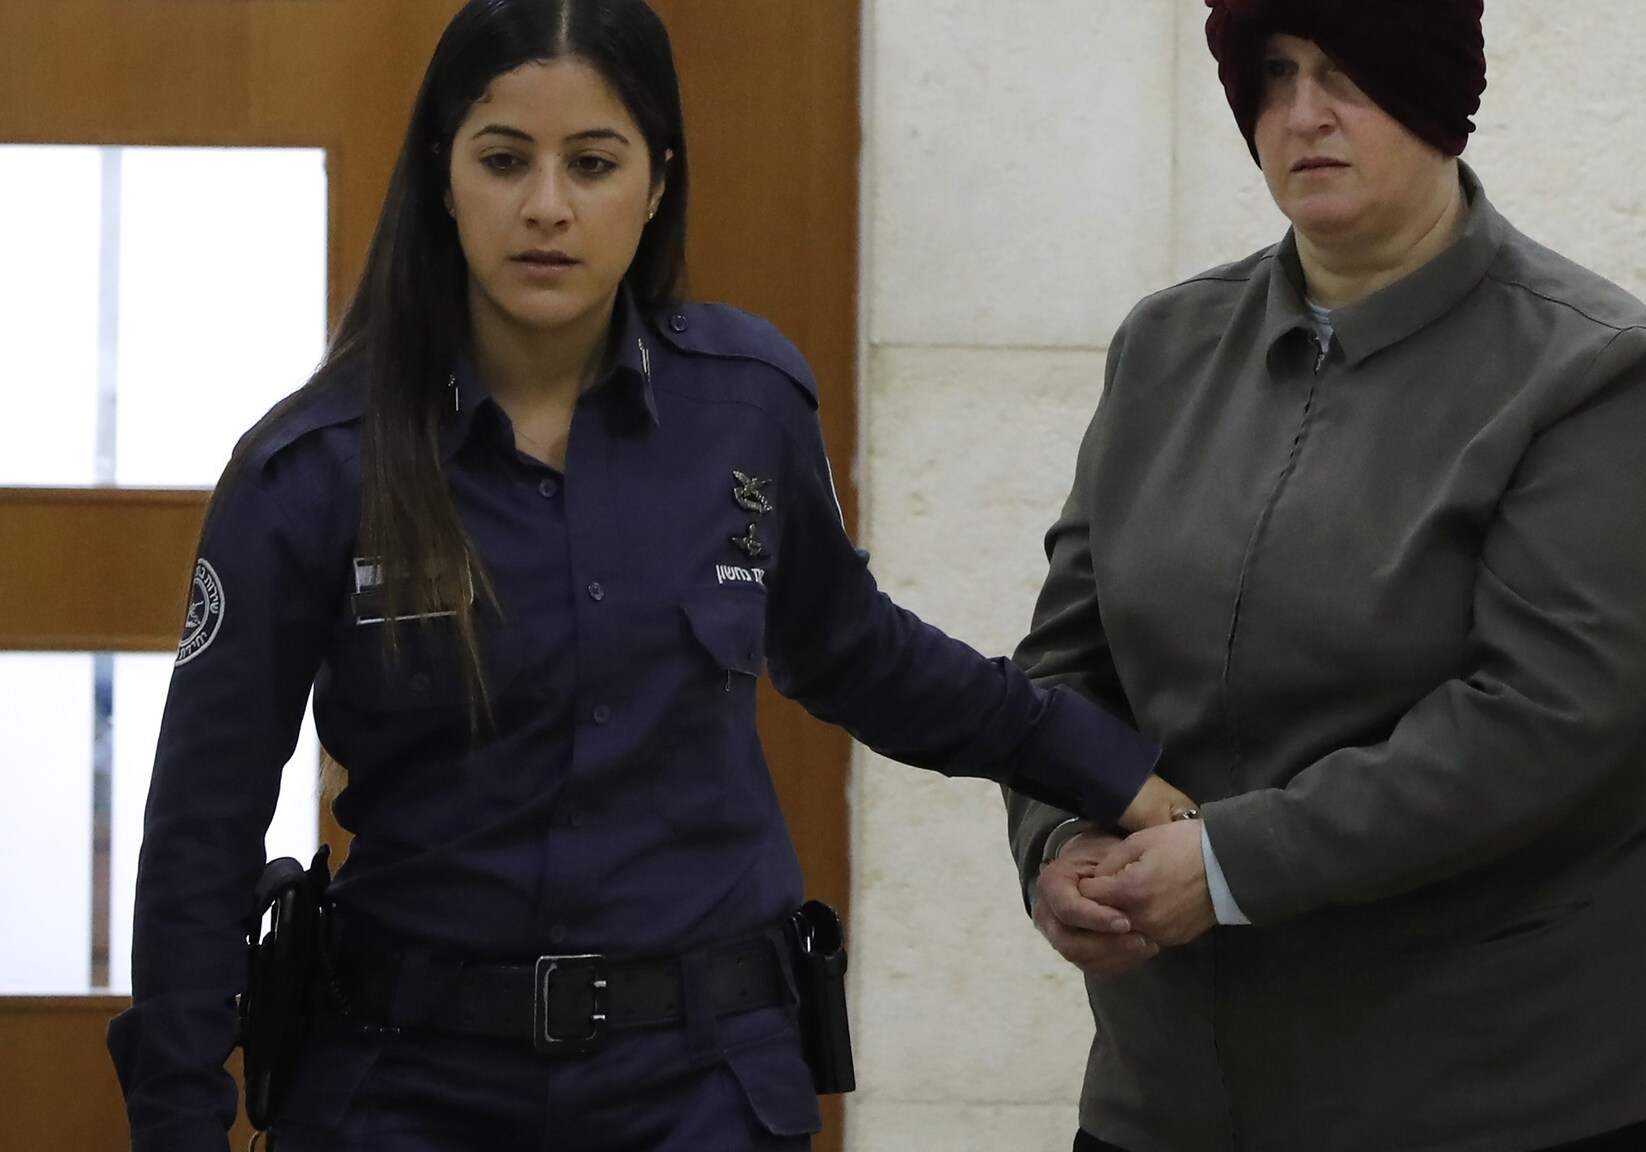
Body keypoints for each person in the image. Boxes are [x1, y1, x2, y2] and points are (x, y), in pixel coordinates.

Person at [107, 3, 1190, 1150]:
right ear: (443, 176)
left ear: (657, 181)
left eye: (592, 163)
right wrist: (177, 1120)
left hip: (699, 1086)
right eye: (504, 160)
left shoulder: (745, 406)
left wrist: (1104, 768)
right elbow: (203, 825)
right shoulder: (311, 467)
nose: (546, 206)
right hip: (405, 1089)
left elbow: (857, 654)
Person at [1005, 2, 1646, 1151]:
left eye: (1346, 73)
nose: (1302, 114)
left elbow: (1540, 719)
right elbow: (1066, 661)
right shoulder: (1164, 346)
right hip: (1169, 1096)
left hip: (1492, 1098)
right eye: (1273, 73)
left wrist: (1227, 863)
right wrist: (1059, 840)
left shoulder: (1598, 373)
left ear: (1436, 93)